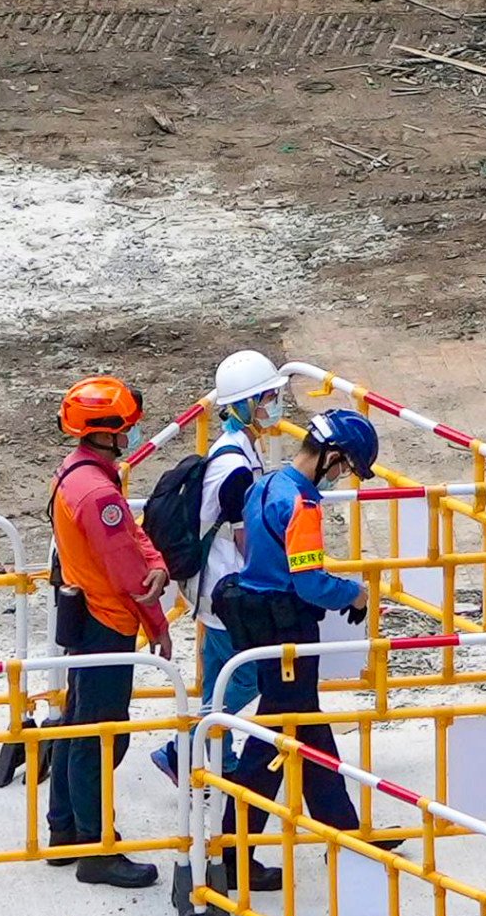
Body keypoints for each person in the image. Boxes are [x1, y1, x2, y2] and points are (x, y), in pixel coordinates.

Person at [214, 410, 379, 880]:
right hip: (288, 631)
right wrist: (355, 593)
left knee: (308, 732)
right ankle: (235, 855)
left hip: (264, 624)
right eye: (345, 467)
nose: (341, 477)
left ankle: (345, 832)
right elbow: (309, 584)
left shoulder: (265, 486)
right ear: (333, 455)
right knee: (272, 747)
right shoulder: (302, 506)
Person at [42, 375, 168, 886]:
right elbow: (127, 573)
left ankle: (64, 833)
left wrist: (154, 558)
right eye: (129, 428)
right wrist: (158, 625)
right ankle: (96, 850)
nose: (134, 434)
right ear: (109, 432)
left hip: (84, 617)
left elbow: (131, 539)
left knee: (78, 725)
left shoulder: (77, 474)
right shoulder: (97, 492)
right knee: (100, 738)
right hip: (105, 622)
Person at [150, 346, 293, 781]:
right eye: (267, 398)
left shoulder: (236, 448)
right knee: (244, 676)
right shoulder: (234, 466)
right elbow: (248, 537)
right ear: (246, 405)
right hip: (224, 589)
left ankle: (218, 755)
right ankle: (187, 745)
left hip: (214, 587)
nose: (274, 405)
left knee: (220, 676)